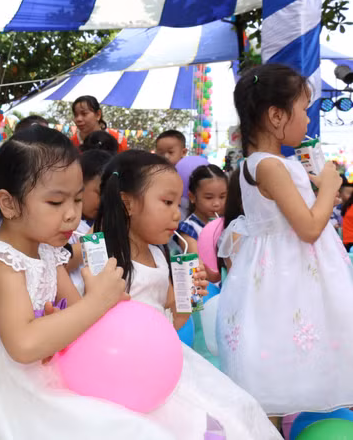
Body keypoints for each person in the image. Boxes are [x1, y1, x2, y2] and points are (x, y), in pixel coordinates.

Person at [0, 126, 172, 439]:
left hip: (34, 377)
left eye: (77, 199)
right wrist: (97, 302)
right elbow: (24, 344)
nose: (71, 215)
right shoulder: (2, 261)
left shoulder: (47, 252)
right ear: (9, 203)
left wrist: (97, 303)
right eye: (55, 202)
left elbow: (79, 318)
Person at [94, 150, 280, 439]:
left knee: (236, 411)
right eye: (166, 202)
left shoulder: (158, 255)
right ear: (127, 203)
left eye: (177, 203)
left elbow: (168, 323)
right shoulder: (105, 262)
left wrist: (188, 298)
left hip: (166, 361)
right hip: (129, 372)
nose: (176, 214)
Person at [218, 63, 353, 416]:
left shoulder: (268, 163)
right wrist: (330, 187)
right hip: (288, 274)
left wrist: (319, 191)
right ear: (277, 115)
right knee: (283, 365)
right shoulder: (269, 166)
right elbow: (308, 228)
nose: (308, 120)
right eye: (304, 110)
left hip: (290, 270)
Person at [67, 149, 112, 294]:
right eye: (99, 193)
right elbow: (63, 263)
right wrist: (97, 232)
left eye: (110, 197)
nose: (104, 202)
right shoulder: (63, 222)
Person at [174, 165, 227, 255]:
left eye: (222, 197)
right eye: (209, 197)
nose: (217, 203)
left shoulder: (229, 223)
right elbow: (198, 260)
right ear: (192, 197)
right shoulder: (188, 229)